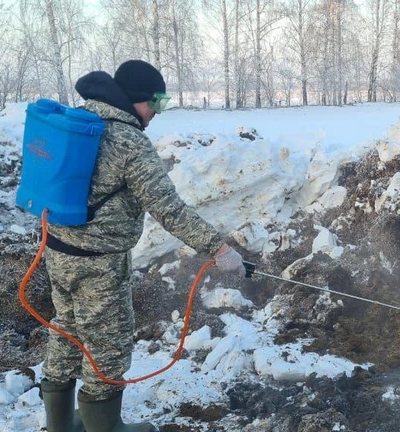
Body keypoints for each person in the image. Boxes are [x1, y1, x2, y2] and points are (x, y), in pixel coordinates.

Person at [38, 59, 245, 432]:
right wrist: (219, 249)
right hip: (100, 265)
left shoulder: (80, 123)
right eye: (156, 103)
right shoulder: (129, 141)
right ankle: (105, 427)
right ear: (136, 100)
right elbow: (169, 209)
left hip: (57, 251)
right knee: (107, 346)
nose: (156, 114)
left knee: (66, 330)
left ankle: (59, 425)